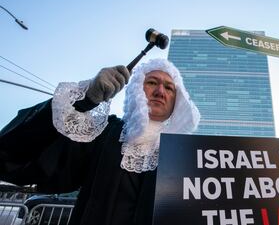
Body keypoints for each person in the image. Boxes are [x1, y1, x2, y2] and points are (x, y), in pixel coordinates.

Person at [0, 58, 200, 225]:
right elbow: (13, 155)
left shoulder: (190, 157)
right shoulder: (104, 133)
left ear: (177, 101)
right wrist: (84, 99)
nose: (160, 92)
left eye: (169, 87)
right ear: (136, 89)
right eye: (151, 82)